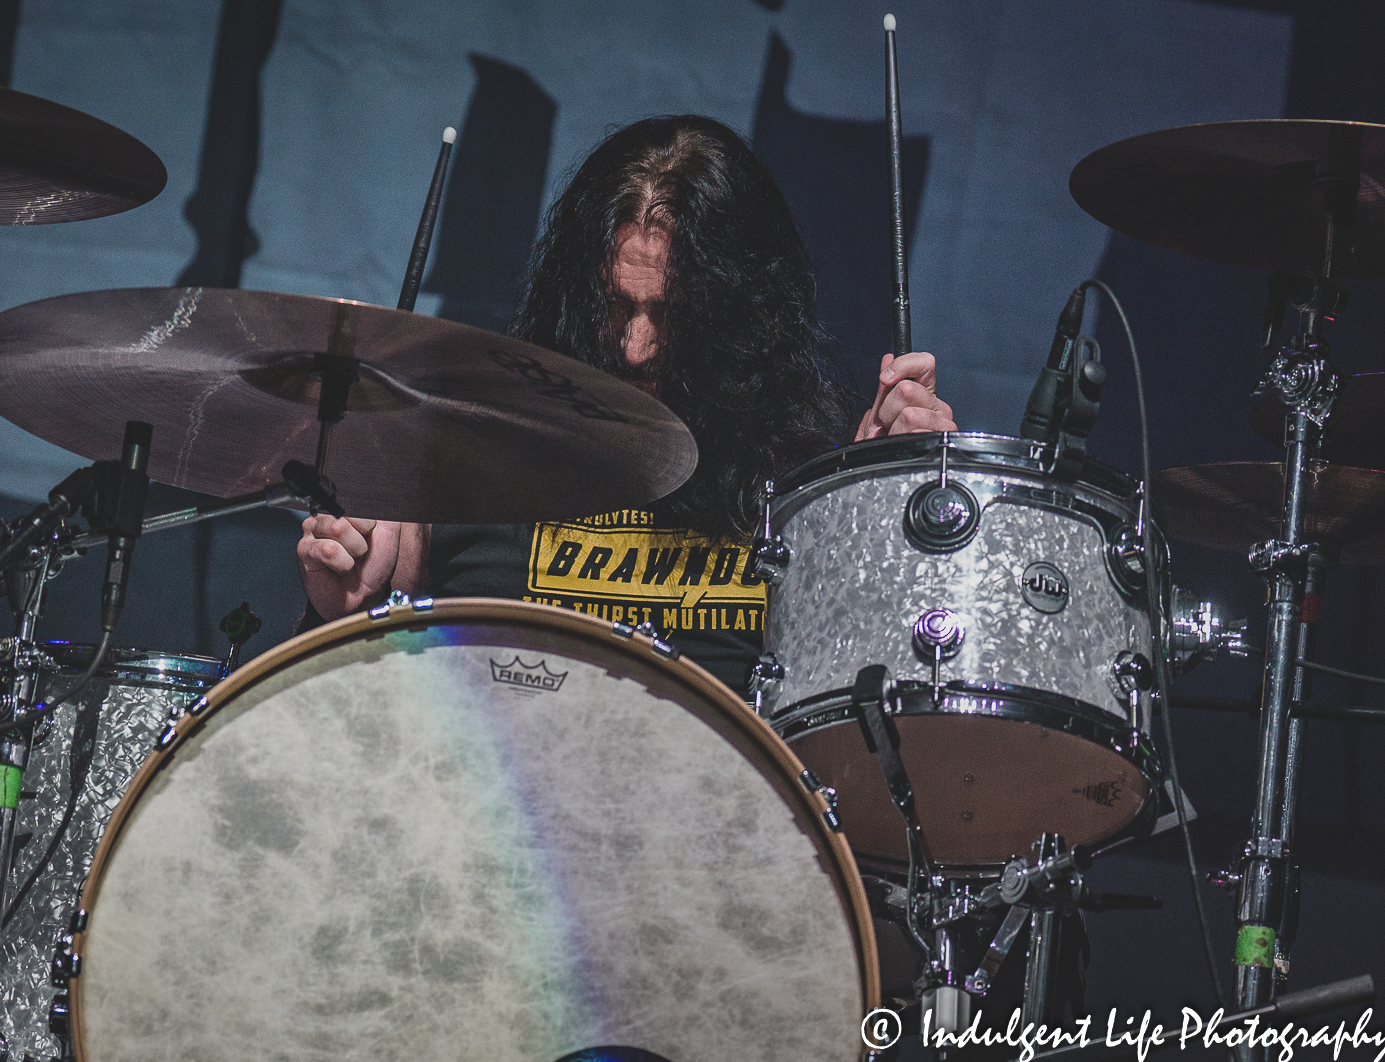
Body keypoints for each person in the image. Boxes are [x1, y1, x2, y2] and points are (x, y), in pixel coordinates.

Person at [297, 114, 956, 693]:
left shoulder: (799, 484)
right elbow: (372, 691)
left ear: (739, 315)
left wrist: (871, 514)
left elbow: (856, 717)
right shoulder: (471, 451)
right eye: (615, 307)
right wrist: (357, 602)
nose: (636, 347)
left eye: (670, 315)